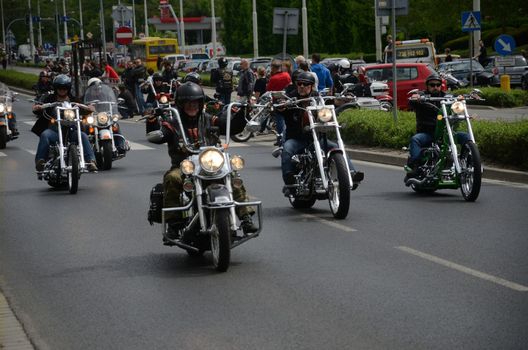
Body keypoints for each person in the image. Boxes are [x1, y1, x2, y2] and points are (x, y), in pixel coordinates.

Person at [148, 82, 257, 243]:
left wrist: (243, 112)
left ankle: (246, 217)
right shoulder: (173, 123)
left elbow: (232, 127)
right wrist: (152, 122)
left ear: (201, 104)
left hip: (210, 164)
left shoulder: (209, 119)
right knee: (172, 178)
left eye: (196, 102)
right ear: (180, 104)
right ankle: (173, 223)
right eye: (188, 103)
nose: (192, 106)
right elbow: (161, 134)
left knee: (233, 176)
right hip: (185, 166)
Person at [279, 72, 363, 192]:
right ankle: (289, 182)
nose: (302, 86)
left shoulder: (318, 98)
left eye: (306, 84)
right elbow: (279, 108)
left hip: (316, 139)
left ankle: (351, 174)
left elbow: (330, 102)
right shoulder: (290, 98)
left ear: (312, 86)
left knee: (337, 146)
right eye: (300, 83)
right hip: (297, 139)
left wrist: (342, 100)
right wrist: (280, 105)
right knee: (287, 148)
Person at [405, 73, 470, 179]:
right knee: (415, 139)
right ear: (427, 86)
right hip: (428, 133)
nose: (435, 87)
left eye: (438, 85)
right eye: (432, 85)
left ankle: (469, 161)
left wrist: (462, 97)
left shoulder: (446, 97)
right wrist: (415, 98)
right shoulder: (422, 96)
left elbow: (454, 97)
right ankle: (414, 166)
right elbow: (411, 104)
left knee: (467, 137)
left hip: (447, 133)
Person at [31, 74, 98, 172]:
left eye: (65, 88)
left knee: (83, 136)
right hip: (55, 131)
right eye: (60, 88)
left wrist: (89, 109)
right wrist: (37, 108)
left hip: (71, 131)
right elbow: (40, 107)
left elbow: (84, 109)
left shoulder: (74, 100)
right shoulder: (49, 99)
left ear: (68, 88)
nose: (62, 90)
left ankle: (91, 161)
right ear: (56, 88)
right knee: (45, 134)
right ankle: (40, 161)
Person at [266, 60, 292, 146]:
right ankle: (286, 137)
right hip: (286, 99)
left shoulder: (273, 78)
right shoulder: (287, 75)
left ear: (273, 68)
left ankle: (281, 138)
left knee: (280, 121)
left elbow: (268, 89)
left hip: (277, 100)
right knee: (287, 120)